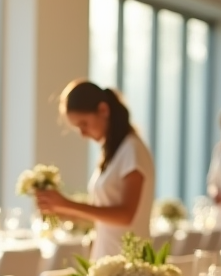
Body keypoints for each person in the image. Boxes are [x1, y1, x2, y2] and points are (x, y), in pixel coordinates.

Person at [35, 80, 155, 259]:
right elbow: (104, 216)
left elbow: (126, 215)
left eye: (84, 124)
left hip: (128, 262)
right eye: (78, 128)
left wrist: (68, 204)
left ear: (103, 110)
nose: (83, 134)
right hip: (109, 257)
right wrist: (62, 211)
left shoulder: (132, 150)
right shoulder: (115, 152)